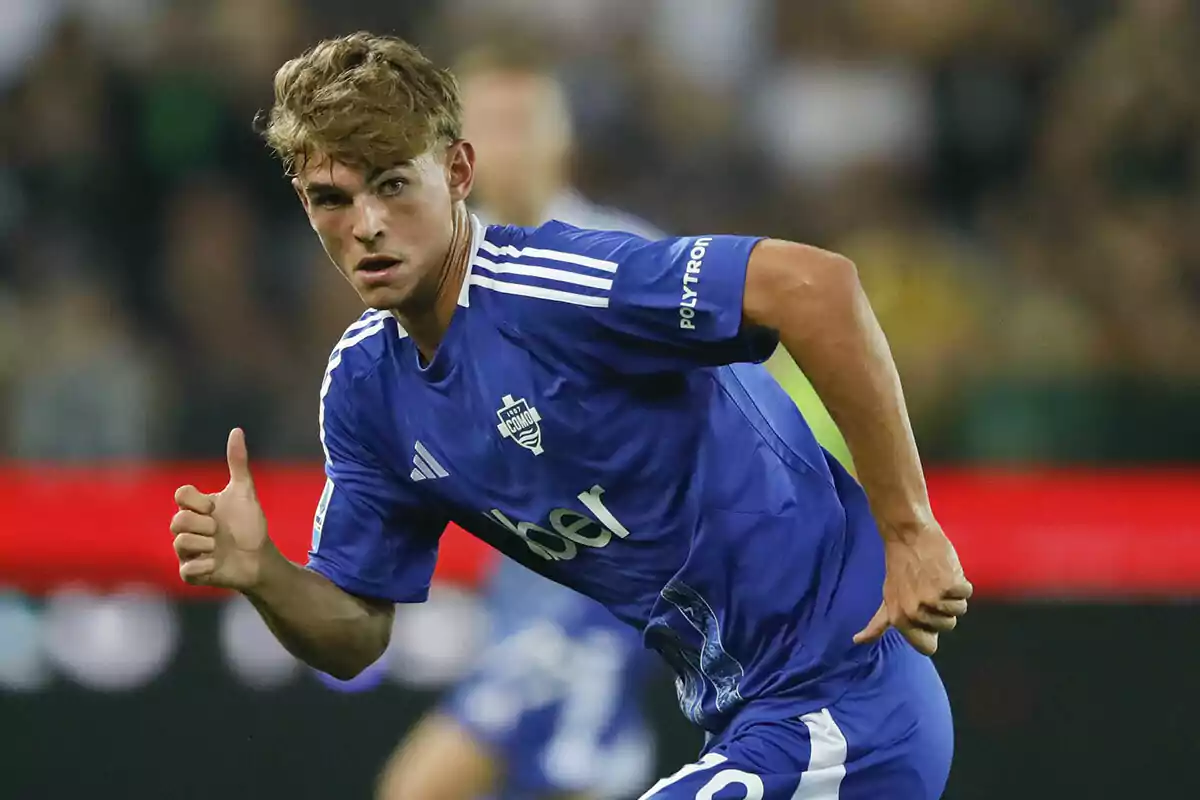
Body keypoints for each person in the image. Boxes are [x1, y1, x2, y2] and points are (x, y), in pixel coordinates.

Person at [169, 33, 972, 799]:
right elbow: (357, 633)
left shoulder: (563, 283)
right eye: (330, 199)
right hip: (742, 719)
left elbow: (814, 287)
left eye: (391, 184)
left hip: (847, 703)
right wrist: (265, 575)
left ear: (455, 171)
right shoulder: (364, 389)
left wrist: (907, 526)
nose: (365, 225)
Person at [375, 47, 662, 800]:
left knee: (422, 785)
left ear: (560, 138)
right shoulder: (433, 274)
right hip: (520, 580)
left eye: (522, 121)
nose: (507, 142)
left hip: (610, 580)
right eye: (489, 124)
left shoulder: (624, 255)